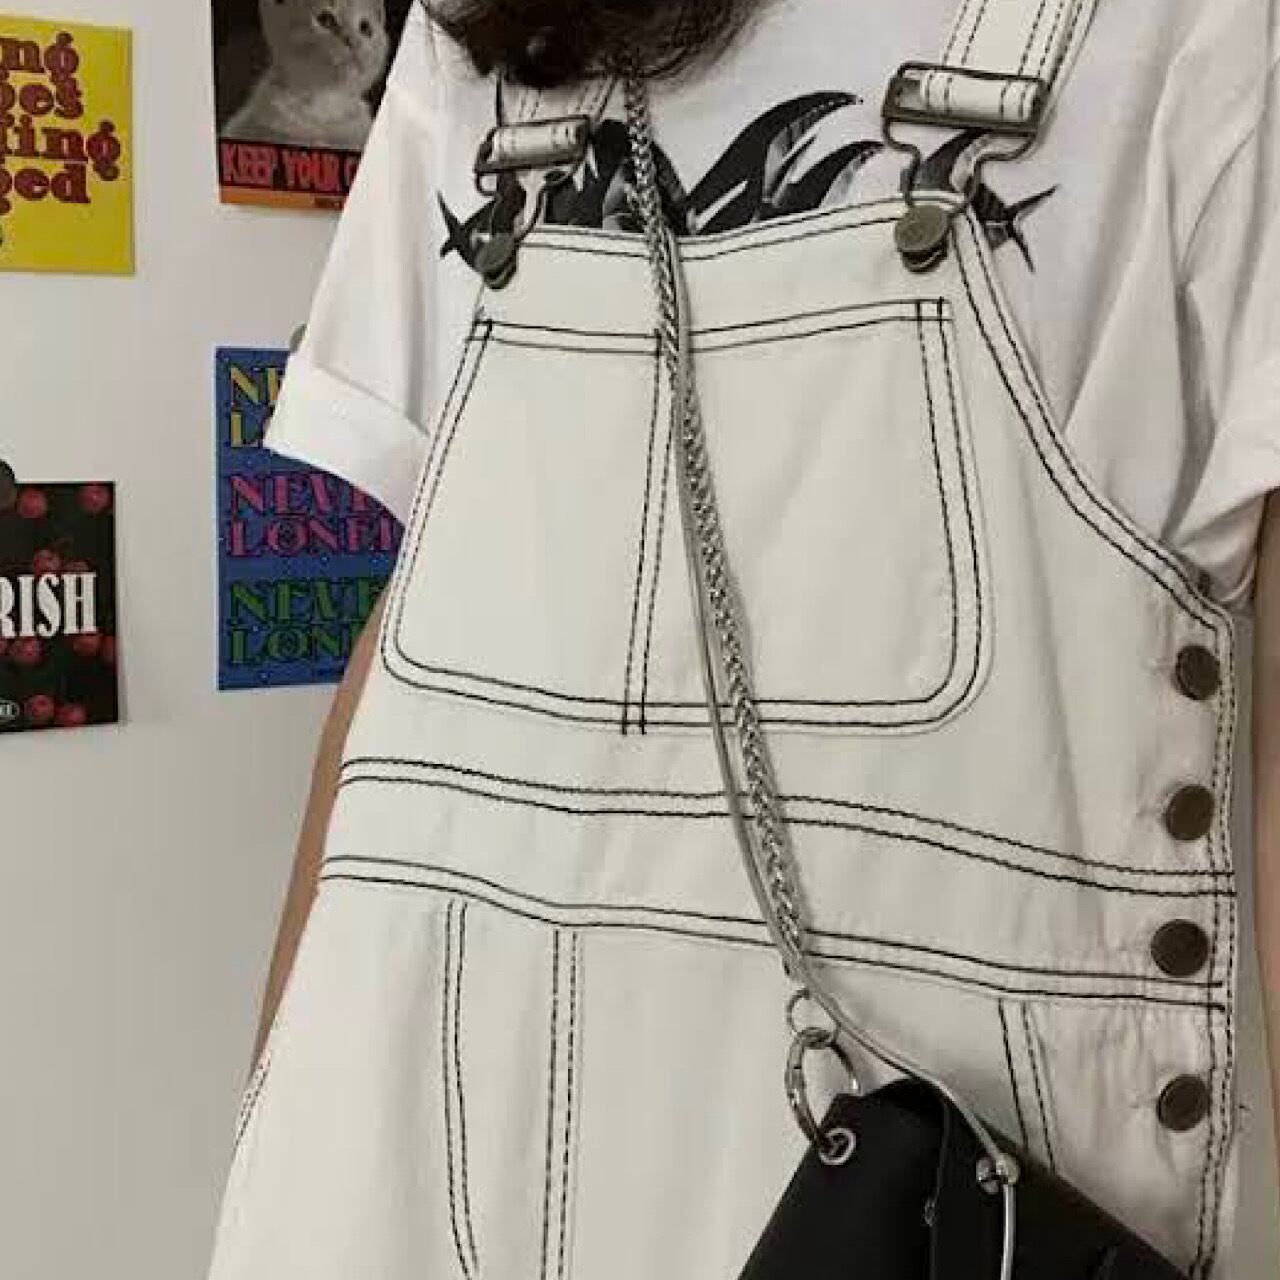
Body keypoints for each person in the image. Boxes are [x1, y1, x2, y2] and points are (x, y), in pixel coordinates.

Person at [206, 1, 1280, 1276]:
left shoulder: (1204, 33)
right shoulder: (478, 34)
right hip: (388, 1181)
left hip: (900, 1202)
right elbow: (405, 677)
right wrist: (266, 1144)